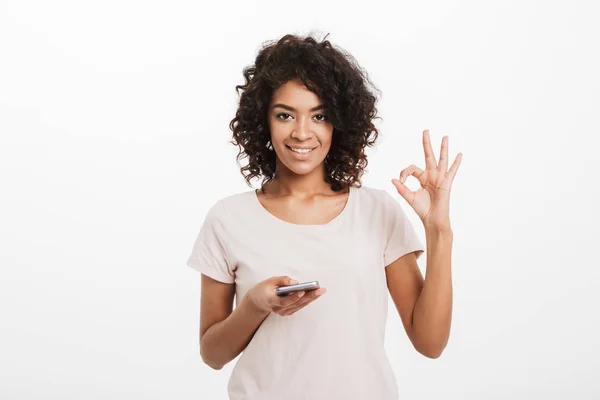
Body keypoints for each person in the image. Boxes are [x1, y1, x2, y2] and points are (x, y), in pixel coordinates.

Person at [186, 33, 463, 400]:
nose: (302, 132)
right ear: (264, 121)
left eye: (320, 116)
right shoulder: (227, 218)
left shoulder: (377, 211)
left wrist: (438, 230)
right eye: (285, 115)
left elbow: (430, 343)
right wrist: (255, 304)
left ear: (339, 123)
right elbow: (212, 354)